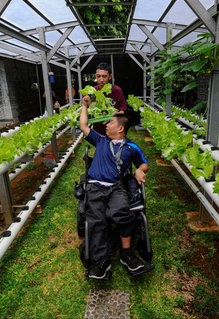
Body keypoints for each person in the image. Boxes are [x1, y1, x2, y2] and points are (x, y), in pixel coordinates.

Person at [79, 94, 149, 280]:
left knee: (122, 212)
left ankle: (126, 254)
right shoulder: (100, 140)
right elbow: (84, 126)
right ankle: (102, 261)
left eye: (109, 123)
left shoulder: (132, 147)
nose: (106, 125)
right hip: (95, 186)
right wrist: (84, 106)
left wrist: (140, 171)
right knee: (97, 219)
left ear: (120, 128)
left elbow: (144, 163)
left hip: (117, 187)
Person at [92, 62, 127, 135]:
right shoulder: (93, 91)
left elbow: (123, 110)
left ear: (110, 76)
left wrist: (116, 114)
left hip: (114, 130)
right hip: (98, 131)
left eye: (104, 76)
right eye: (98, 76)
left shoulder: (117, 90)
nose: (101, 79)